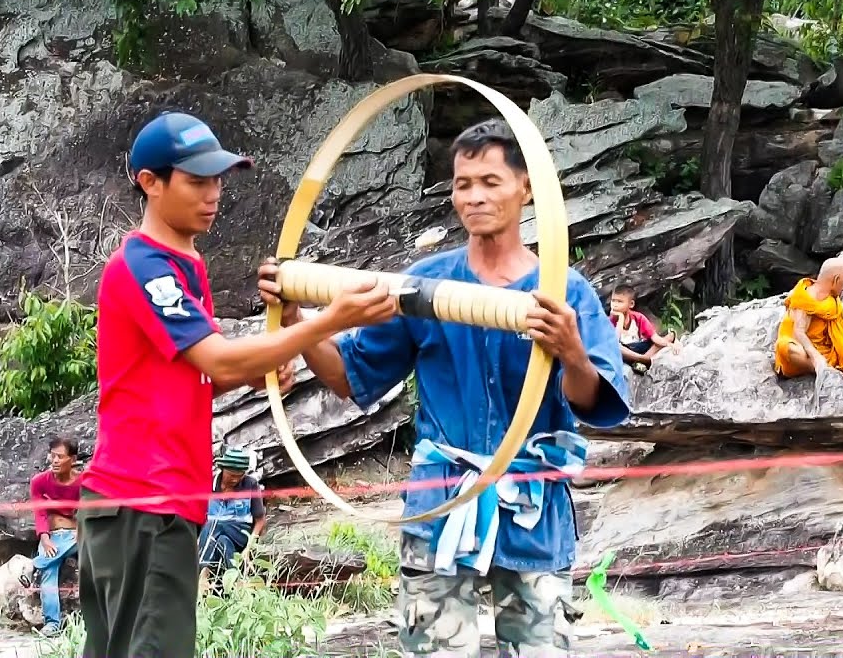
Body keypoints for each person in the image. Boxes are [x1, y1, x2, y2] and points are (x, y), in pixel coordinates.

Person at [257, 117, 631, 657]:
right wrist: (297, 321)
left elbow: (594, 402)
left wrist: (571, 351)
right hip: (441, 501)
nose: (474, 196)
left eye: (490, 181)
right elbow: (349, 376)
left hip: (533, 506)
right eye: (463, 184)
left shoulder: (564, 292)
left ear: (526, 189)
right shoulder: (423, 284)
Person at [76, 111, 398, 658]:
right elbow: (218, 361)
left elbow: (191, 379)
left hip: (147, 505)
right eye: (196, 181)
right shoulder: (144, 264)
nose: (214, 193)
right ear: (150, 183)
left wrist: (254, 370)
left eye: (219, 179)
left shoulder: (186, 265)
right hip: (143, 503)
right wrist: (329, 320)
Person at [774, 258, 843, 379]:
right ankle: (821, 369)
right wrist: (815, 356)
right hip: (807, 349)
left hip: (828, 344)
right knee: (786, 347)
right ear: (836, 280)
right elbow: (799, 332)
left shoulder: (831, 294)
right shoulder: (805, 298)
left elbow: (839, 316)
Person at [23, 436, 82, 636]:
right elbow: (40, 513)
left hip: (77, 536)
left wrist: (82, 532)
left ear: (72, 459)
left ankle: (34, 565)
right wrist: (45, 538)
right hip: (54, 536)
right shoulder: (39, 482)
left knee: (47, 560)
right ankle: (52, 624)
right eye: (52, 456)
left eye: (60, 457)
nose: (54, 460)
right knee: (49, 569)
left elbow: (87, 511)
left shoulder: (83, 482)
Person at [197, 447, 267, 588]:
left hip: (241, 533)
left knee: (215, 524)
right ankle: (236, 581)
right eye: (231, 475)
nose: (235, 479)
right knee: (223, 540)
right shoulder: (208, 483)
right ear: (222, 469)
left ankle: (203, 574)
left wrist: (249, 547)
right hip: (214, 535)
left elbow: (260, 520)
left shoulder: (250, 484)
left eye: (239, 475)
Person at [607, 284, 677, 372]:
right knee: (616, 347)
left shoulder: (638, 317)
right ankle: (643, 360)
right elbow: (614, 342)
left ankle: (643, 360)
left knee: (670, 334)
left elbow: (654, 337)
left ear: (631, 304)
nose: (615, 305)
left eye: (620, 302)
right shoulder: (608, 321)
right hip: (626, 351)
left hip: (640, 346)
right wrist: (620, 320)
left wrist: (668, 344)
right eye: (613, 301)